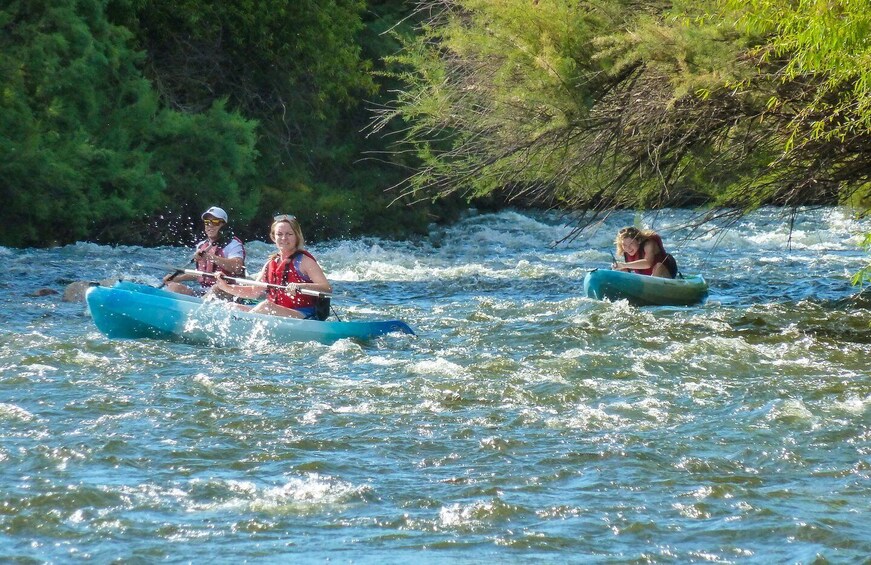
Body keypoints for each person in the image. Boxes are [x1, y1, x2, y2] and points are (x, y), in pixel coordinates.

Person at [214, 214, 332, 319]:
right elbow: (254, 291)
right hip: (277, 311)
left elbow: (327, 288)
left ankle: (243, 326)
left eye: (289, 234)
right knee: (231, 307)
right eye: (279, 234)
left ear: (297, 236)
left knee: (266, 306)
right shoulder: (270, 263)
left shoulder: (305, 261)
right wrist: (225, 286)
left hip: (304, 314)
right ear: (273, 237)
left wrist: (300, 286)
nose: (284, 238)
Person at [163, 206, 246, 296]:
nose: (210, 225)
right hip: (205, 291)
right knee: (173, 287)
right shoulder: (201, 245)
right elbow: (202, 273)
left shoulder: (233, 244)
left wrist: (210, 257)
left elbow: (237, 267)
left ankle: (201, 305)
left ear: (224, 226)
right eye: (207, 222)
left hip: (228, 291)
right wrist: (178, 278)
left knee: (216, 288)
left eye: (215, 222)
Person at [611, 226, 677, 278]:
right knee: (622, 270)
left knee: (658, 266)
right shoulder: (626, 250)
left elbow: (648, 263)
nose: (628, 248)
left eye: (631, 243)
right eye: (624, 245)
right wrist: (617, 267)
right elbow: (627, 269)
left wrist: (623, 265)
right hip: (648, 277)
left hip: (666, 272)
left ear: (639, 241)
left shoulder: (649, 244)